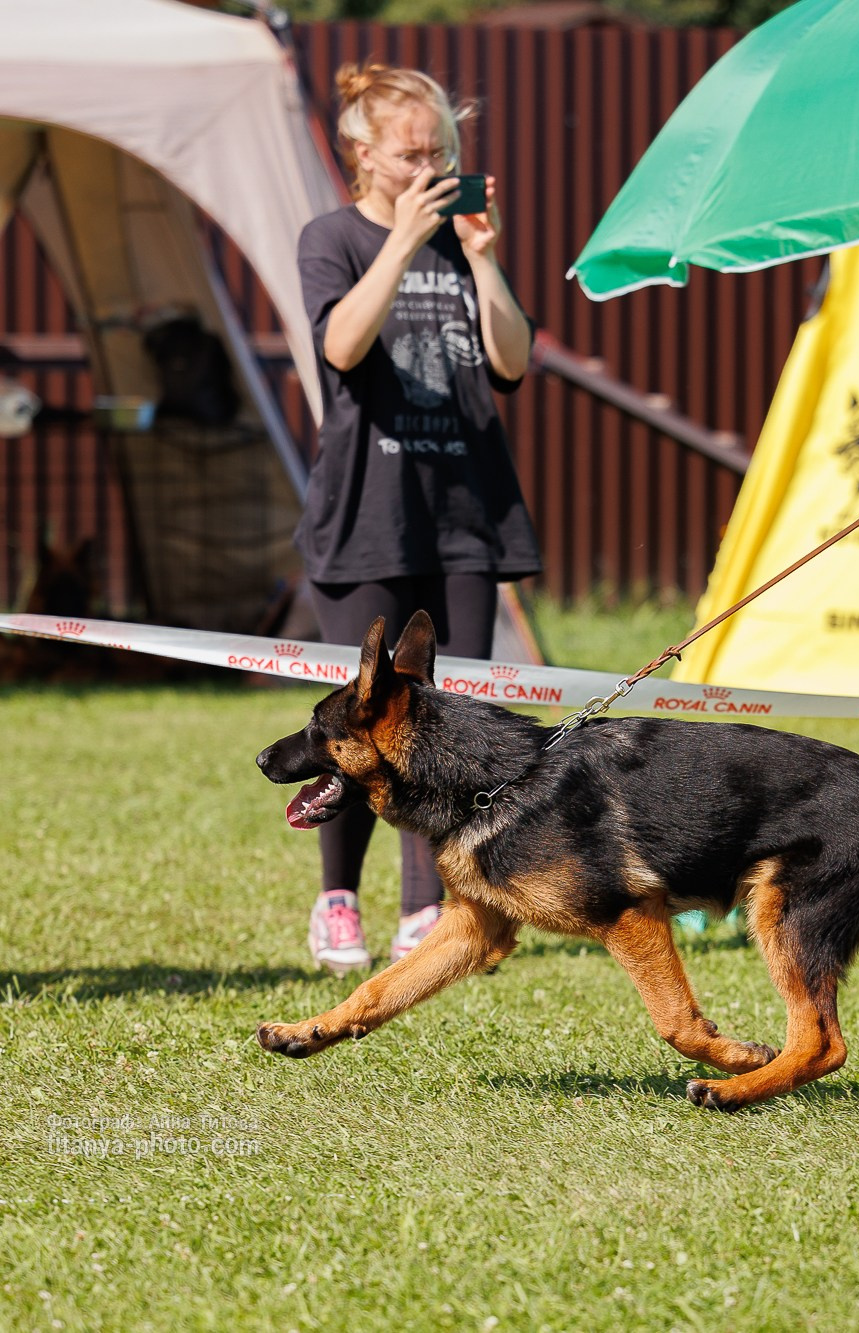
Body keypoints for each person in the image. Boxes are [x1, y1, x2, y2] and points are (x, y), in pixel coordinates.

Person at [294, 63, 540, 974]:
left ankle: (424, 908)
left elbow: (511, 364)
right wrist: (398, 244)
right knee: (357, 717)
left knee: (440, 721)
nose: (429, 167)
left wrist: (481, 256)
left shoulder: (460, 241)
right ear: (364, 152)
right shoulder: (334, 237)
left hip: (464, 515)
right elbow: (341, 345)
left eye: (443, 151)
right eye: (412, 153)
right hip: (365, 516)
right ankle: (337, 900)